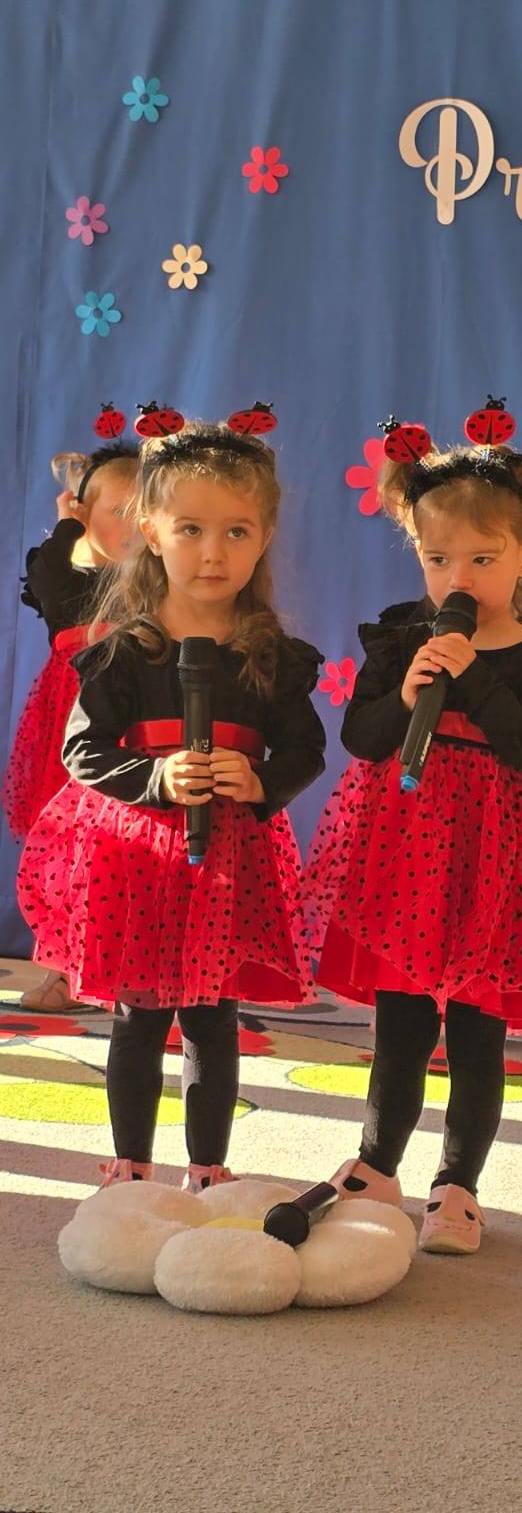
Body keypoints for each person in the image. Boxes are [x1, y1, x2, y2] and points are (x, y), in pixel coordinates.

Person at [304, 435, 522, 1253]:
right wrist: (406, 693)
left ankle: (457, 1187)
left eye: (480, 559)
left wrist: (473, 674)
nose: (456, 579)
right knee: (399, 1023)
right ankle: (376, 1166)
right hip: (404, 850)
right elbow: (360, 739)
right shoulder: (402, 638)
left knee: (476, 1031)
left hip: (490, 860)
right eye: (437, 560)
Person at [17, 419, 326, 1191]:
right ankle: (130, 1165)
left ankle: (207, 1169)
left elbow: (304, 751)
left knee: (212, 1019)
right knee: (139, 1016)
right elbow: (83, 753)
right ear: (151, 531)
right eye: (190, 529)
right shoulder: (124, 650)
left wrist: (259, 781)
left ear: (264, 538)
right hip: (137, 858)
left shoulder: (272, 657)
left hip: (228, 859)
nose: (212, 552)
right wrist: (156, 780)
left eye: (235, 531)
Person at [4, 442, 139, 1011]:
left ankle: (126, 971)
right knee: (65, 848)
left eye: (145, 512)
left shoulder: (160, 584)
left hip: (133, 725)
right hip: (68, 725)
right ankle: (62, 970)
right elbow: (48, 575)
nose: (132, 525)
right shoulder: (72, 582)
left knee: (122, 850)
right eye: (117, 511)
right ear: (85, 515)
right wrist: (67, 526)